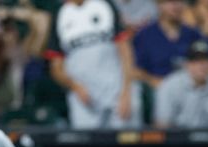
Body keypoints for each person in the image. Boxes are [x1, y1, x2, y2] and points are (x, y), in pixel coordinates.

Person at [45, 0, 142, 130]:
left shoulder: (105, 4)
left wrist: (126, 91)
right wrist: (75, 86)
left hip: (116, 88)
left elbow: (125, 50)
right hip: (84, 95)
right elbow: (55, 68)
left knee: (129, 143)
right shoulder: (59, 14)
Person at [153, 39, 208, 129]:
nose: (202, 65)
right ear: (187, 64)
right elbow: (162, 124)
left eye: (206, 60)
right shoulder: (170, 86)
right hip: (178, 140)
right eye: (196, 61)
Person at [132, 0, 207, 89]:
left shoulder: (193, 34)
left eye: (179, 2)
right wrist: (153, 80)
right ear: (159, 5)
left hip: (190, 90)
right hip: (156, 91)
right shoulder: (144, 36)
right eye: (169, 2)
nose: (175, 6)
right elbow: (134, 70)